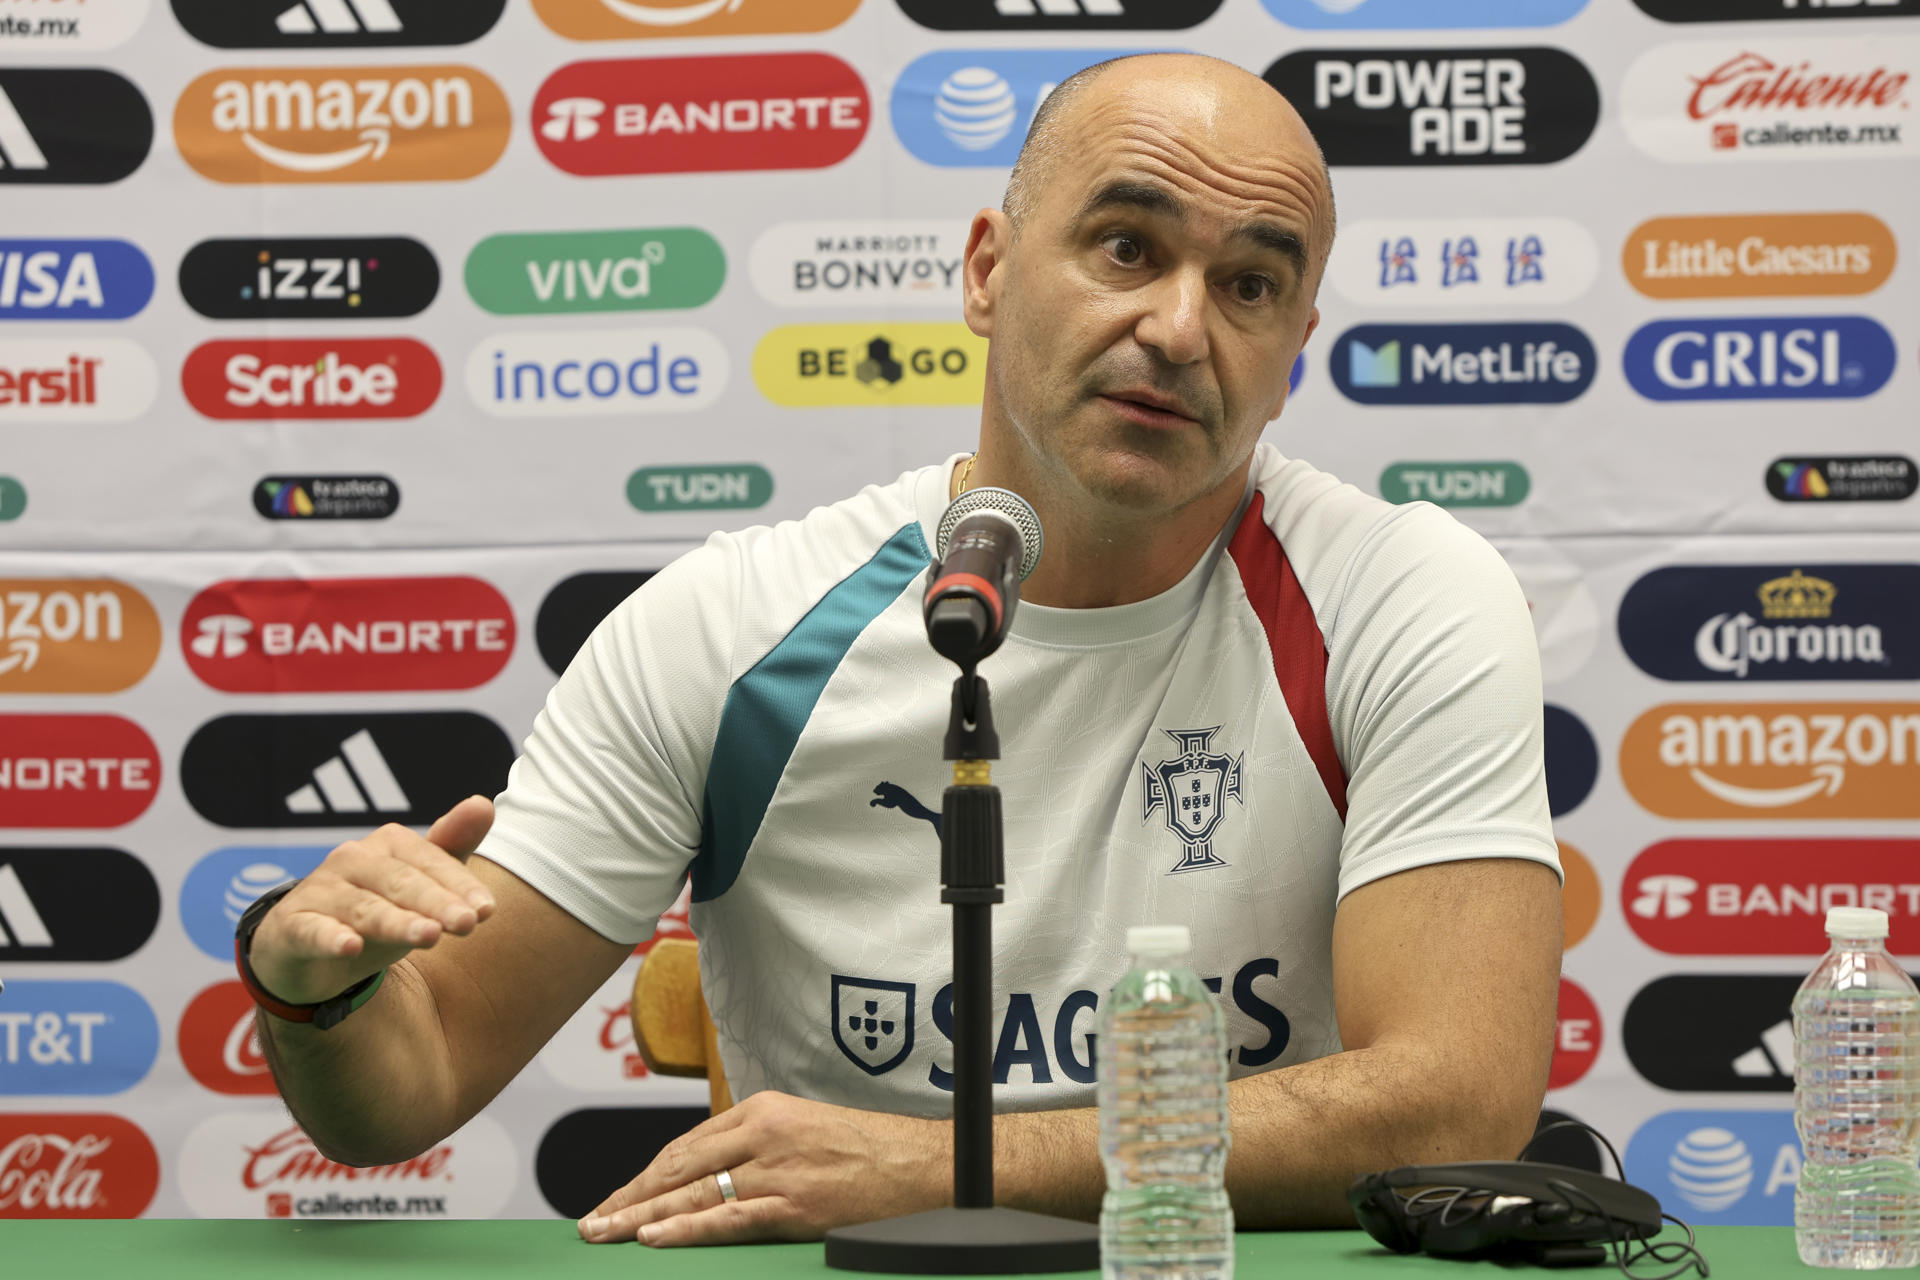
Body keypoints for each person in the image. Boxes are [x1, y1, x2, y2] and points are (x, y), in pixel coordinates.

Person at [242, 53, 1564, 1246]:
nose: (1178, 326)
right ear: (988, 270)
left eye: (1251, 284)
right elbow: (405, 1088)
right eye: (1122, 248)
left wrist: (953, 1171)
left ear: (1294, 353)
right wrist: (319, 997)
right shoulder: (732, 625)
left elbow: (1456, 1093)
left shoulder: (1403, 595)